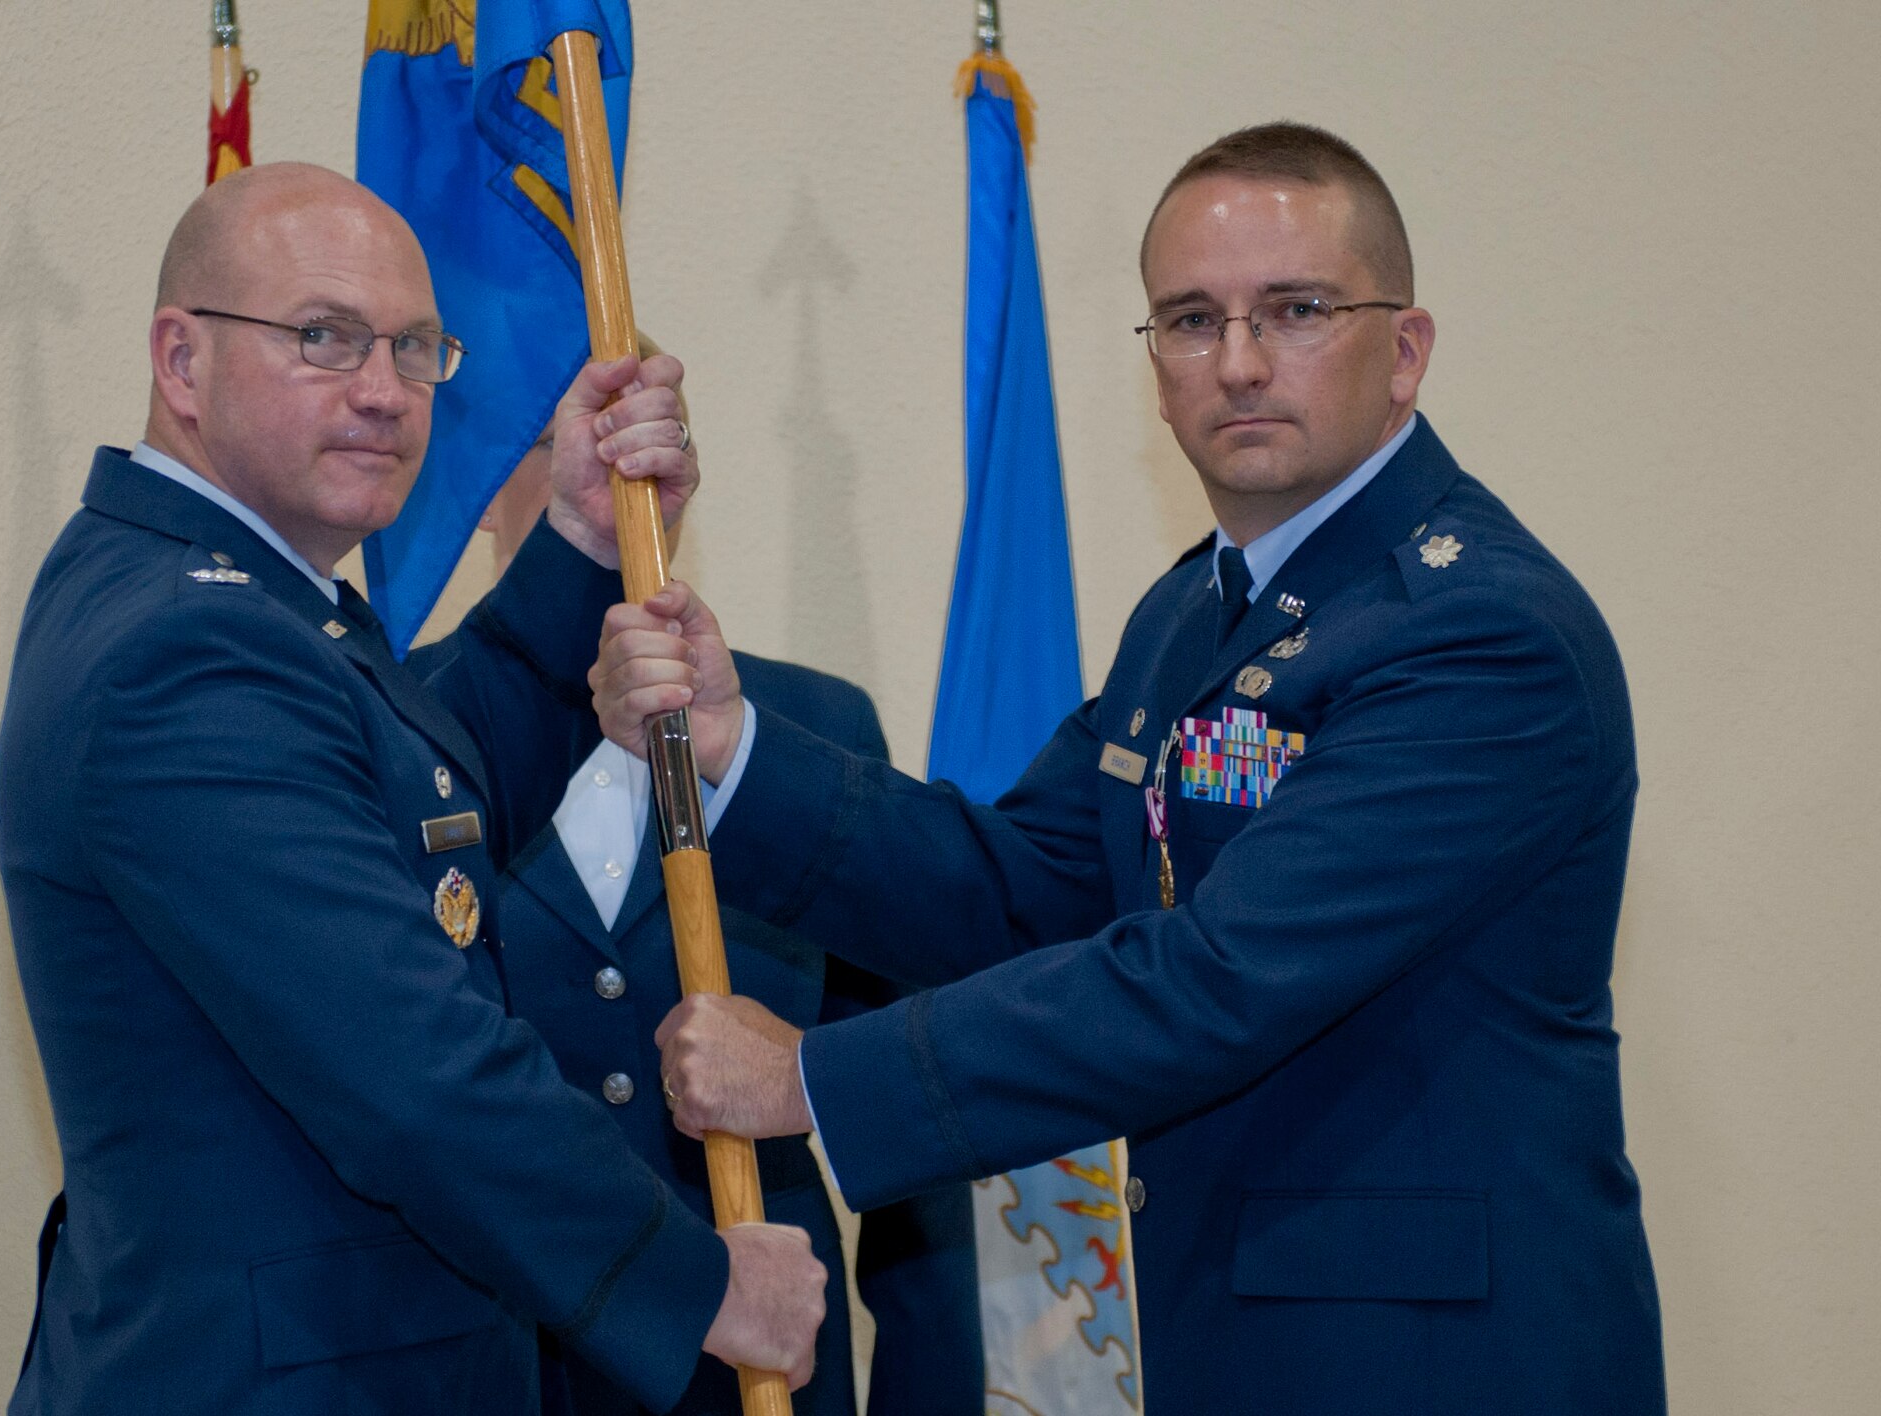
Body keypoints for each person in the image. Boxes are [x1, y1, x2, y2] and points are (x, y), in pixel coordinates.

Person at [590, 124, 1666, 1413]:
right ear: (1153, 364)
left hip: (1434, 1366)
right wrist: (730, 748)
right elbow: (1029, 888)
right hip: (1234, 1343)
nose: (1241, 362)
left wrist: (813, 1080)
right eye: (1190, 321)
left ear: (1406, 349)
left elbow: (1215, 980)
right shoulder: (1197, 614)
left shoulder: (1481, 637)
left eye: (1296, 310)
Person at [0, 162, 824, 1416]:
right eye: (322, 339)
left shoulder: (235, 598)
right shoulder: (190, 647)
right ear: (180, 361)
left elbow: (426, 788)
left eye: (416, 348)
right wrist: (697, 1283)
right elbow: (413, 1076)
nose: (383, 394)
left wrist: (586, 541)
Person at [471, 401, 984, 1416]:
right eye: (570, 442)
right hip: (518, 1374)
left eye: (640, 445)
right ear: (485, 482)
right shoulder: (408, 728)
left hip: (768, 1386)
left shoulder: (809, 733)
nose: (611, 477)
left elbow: (909, 1130)